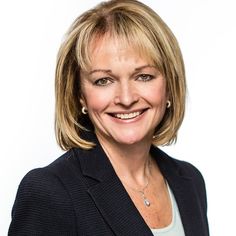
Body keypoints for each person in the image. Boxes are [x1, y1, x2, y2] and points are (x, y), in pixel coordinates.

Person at [8, 0, 209, 235]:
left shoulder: (189, 181)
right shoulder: (50, 192)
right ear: (80, 95)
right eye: (103, 80)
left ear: (169, 85)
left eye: (143, 76)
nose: (126, 98)